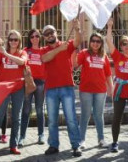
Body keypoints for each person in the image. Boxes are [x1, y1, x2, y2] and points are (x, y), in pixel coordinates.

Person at [41, 20, 82, 157]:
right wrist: (59, 49)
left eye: (51, 32)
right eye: (46, 34)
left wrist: (77, 29)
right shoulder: (44, 49)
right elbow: (45, 59)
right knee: (52, 120)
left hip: (67, 87)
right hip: (51, 89)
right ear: (44, 37)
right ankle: (53, 145)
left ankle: (76, 145)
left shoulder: (67, 45)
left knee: (71, 118)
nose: (49, 35)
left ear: (56, 33)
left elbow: (77, 41)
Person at [104, 19, 128, 153]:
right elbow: (109, 41)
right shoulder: (117, 56)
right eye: (124, 44)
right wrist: (110, 26)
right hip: (119, 92)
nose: (127, 46)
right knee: (117, 118)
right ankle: (114, 142)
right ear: (121, 46)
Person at [0, 30, 28, 155]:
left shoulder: (22, 52)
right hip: (4, 88)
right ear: (8, 41)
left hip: (18, 88)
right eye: (11, 39)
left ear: (19, 41)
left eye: (16, 39)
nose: (13, 42)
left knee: (16, 118)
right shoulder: (2, 52)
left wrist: (6, 54)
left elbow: (22, 62)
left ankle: (13, 145)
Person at [76, 32, 112, 149]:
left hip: (101, 90)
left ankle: (101, 139)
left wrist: (111, 88)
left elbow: (108, 74)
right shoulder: (84, 53)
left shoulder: (104, 56)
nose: (95, 43)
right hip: (86, 90)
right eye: (93, 41)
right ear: (90, 42)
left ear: (101, 43)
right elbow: (75, 65)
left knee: (98, 115)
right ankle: (81, 140)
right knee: (85, 115)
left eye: (98, 41)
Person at [20, 28, 46, 147]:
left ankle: (41, 134)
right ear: (29, 39)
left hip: (40, 82)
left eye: (37, 36)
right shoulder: (25, 51)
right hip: (28, 81)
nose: (34, 38)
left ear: (40, 37)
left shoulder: (43, 51)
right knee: (26, 110)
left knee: (40, 109)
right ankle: (22, 136)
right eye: (32, 36)